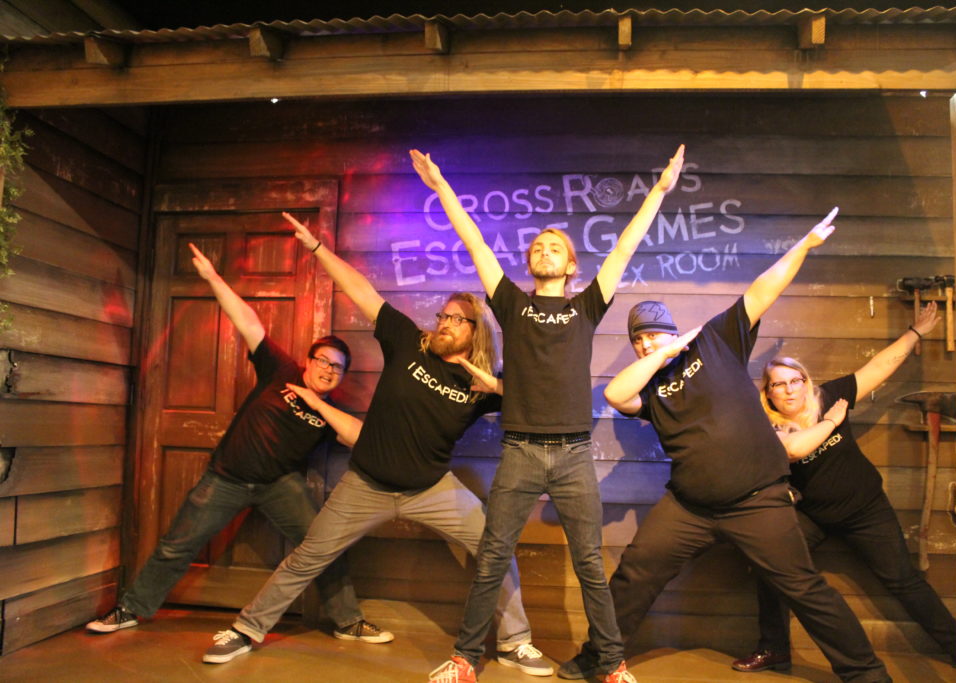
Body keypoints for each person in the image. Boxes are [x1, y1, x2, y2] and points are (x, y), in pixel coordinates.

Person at [201, 213, 552, 675]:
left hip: (432, 489)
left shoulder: (479, 383)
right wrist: (316, 249)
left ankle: (515, 642)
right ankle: (246, 629)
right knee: (308, 555)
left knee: (494, 546)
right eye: (443, 315)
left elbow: (542, 397)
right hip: (365, 484)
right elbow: (362, 291)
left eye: (458, 320)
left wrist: (498, 389)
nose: (446, 323)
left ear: (476, 332)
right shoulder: (409, 342)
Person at [565, 209, 894, 682]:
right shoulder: (648, 386)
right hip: (690, 507)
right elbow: (617, 395)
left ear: (674, 330)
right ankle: (598, 658)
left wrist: (802, 246)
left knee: (804, 588)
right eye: (639, 340)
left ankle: (866, 673)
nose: (645, 345)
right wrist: (659, 355)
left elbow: (763, 289)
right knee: (635, 574)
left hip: (757, 500)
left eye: (654, 334)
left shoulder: (715, 342)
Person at [414, 144, 687, 683]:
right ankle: (466, 658)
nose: (544, 249)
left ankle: (611, 664)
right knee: (492, 559)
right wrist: (441, 187)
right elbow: (473, 242)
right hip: (518, 451)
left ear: (570, 265)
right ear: (531, 261)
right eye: (538, 245)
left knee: (590, 564)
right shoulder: (512, 304)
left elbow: (625, 249)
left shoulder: (587, 305)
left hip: (574, 456)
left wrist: (658, 192)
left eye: (555, 246)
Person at [87, 243, 386, 648]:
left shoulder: (331, 411)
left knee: (321, 545)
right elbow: (248, 321)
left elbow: (359, 438)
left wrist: (319, 404)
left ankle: (347, 621)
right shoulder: (280, 371)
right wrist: (212, 278)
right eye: (323, 360)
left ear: (342, 376)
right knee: (178, 545)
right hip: (225, 477)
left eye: (337, 367)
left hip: (281, 485)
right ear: (308, 360)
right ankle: (131, 609)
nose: (328, 370)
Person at [733, 300, 956, 681]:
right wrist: (831, 423)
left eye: (794, 379)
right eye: (778, 384)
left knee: (905, 581)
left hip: (866, 510)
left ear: (806, 381)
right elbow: (793, 450)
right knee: (772, 565)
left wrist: (916, 332)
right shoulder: (768, 427)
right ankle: (774, 647)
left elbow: (880, 367)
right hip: (812, 514)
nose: (789, 389)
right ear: (768, 393)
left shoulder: (830, 397)